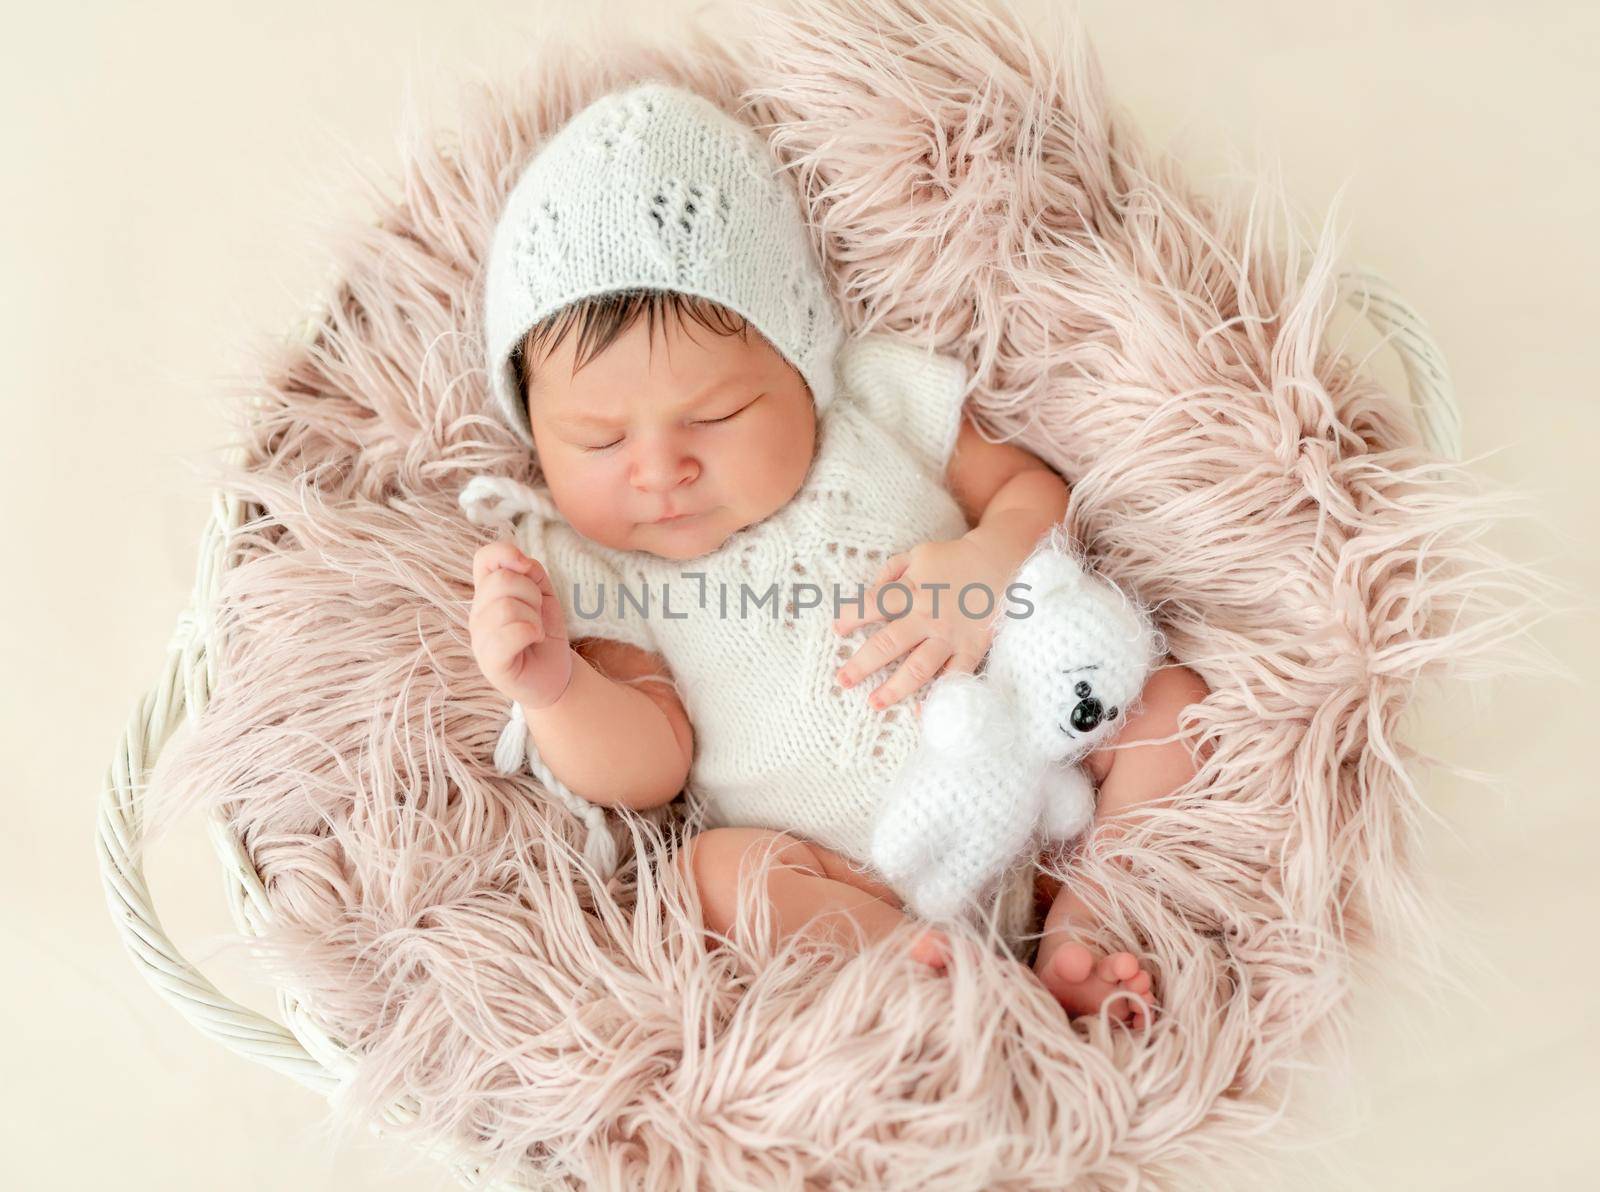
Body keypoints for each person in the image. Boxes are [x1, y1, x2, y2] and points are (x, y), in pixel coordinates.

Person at [462, 82, 1210, 1025]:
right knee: (714, 878)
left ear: (801, 362)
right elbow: (650, 764)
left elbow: (1032, 492)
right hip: (862, 878)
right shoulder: (588, 564)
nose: (660, 471)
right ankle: (926, 977)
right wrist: (553, 686)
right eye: (599, 442)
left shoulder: (874, 403)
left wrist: (989, 562)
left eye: (716, 415)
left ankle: (1087, 920)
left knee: (1169, 705)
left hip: (1039, 771)